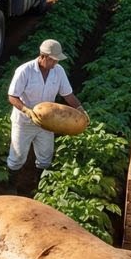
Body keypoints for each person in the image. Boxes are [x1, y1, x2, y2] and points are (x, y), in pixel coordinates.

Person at [5, 39, 86, 174]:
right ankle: (12, 180)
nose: (55, 63)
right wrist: (26, 110)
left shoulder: (58, 71)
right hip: (24, 122)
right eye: (52, 60)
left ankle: (39, 181)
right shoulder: (25, 70)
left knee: (45, 158)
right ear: (43, 56)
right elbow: (12, 96)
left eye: (57, 60)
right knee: (17, 157)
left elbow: (68, 95)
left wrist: (80, 109)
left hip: (48, 123)